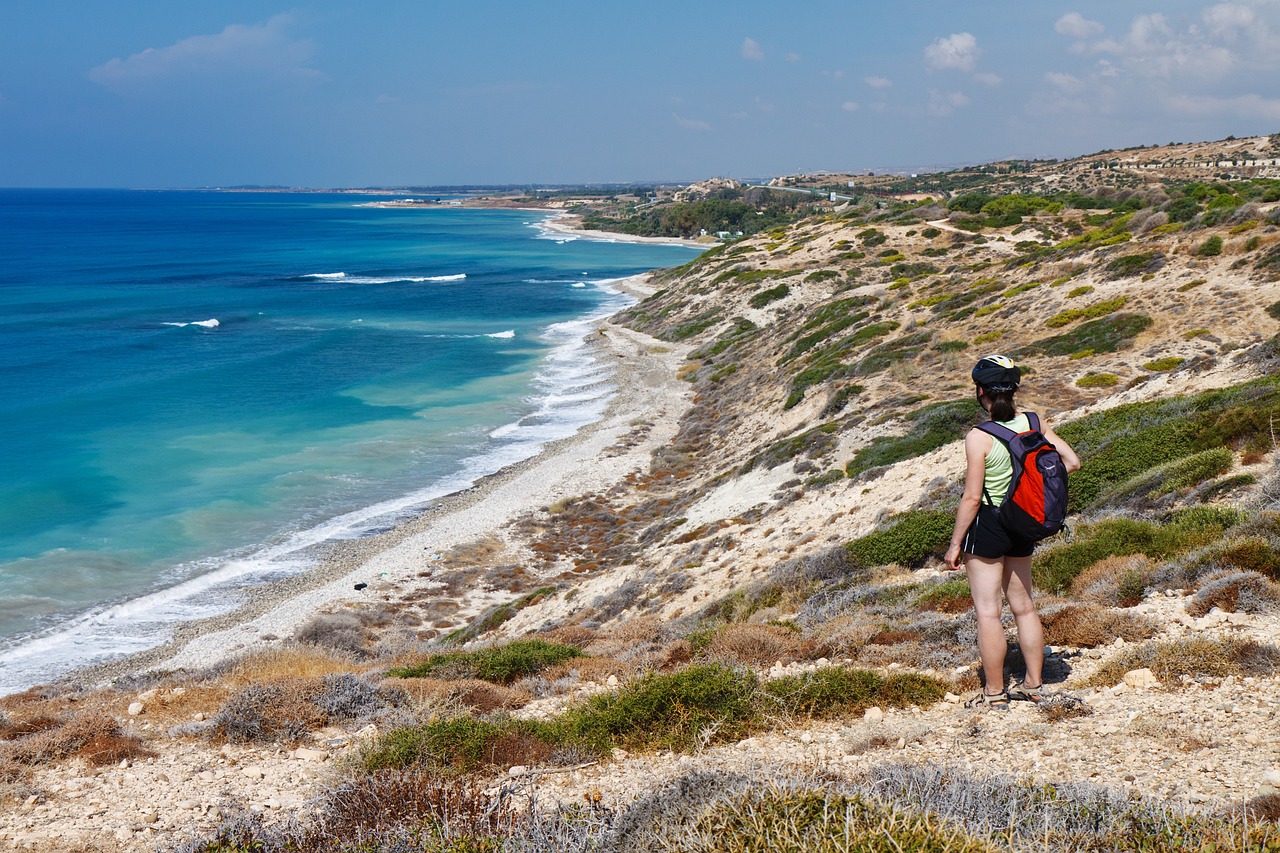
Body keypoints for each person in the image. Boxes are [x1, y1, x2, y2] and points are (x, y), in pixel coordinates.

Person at [943, 355, 1081, 709]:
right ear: (1014, 388)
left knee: (989, 612)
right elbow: (1072, 462)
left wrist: (955, 544)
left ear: (980, 392)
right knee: (1024, 607)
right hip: (1024, 521)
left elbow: (973, 497)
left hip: (989, 524)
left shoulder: (979, 437)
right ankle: (1033, 685)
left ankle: (994, 693)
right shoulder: (1035, 421)